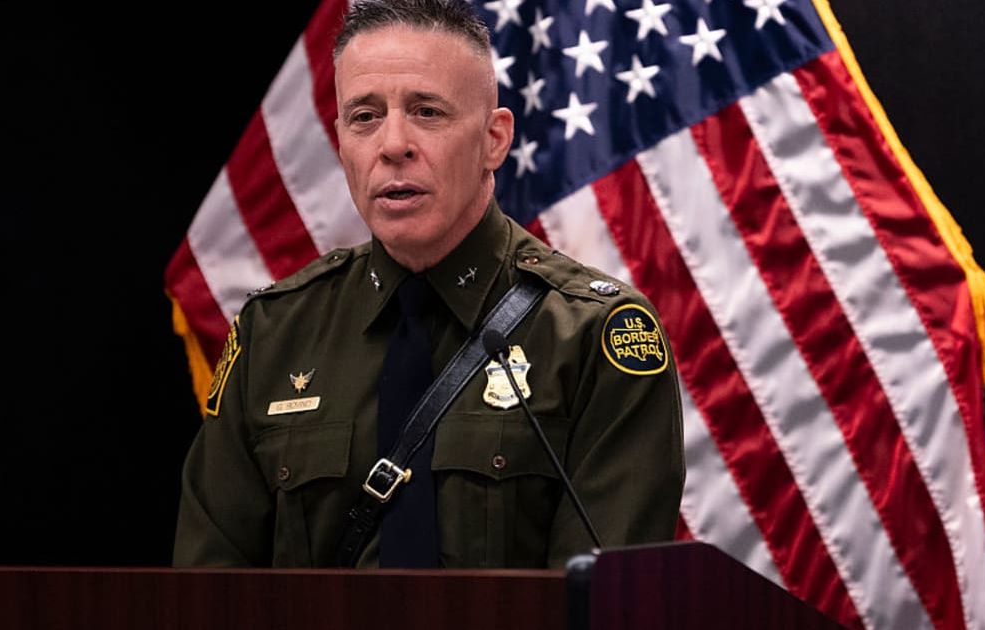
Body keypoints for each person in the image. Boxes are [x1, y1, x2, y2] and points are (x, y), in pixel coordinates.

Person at [173, 0, 684, 569]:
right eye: (365, 117)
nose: (393, 144)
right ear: (341, 142)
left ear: (494, 139)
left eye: (427, 112)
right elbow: (207, 591)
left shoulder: (591, 336)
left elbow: (604, 599)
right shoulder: (274, 335)